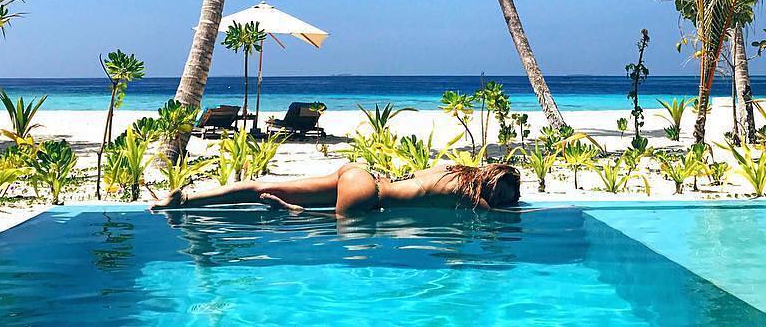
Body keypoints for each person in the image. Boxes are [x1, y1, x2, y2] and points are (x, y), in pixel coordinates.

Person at [151, 162, 521, 216]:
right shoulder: (471, 197)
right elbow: (499, 216)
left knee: (260, 184)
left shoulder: (450, 168)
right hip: (367, 197)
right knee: (324, 222)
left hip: (362, 173)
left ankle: (182, 198)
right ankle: (293, 214)